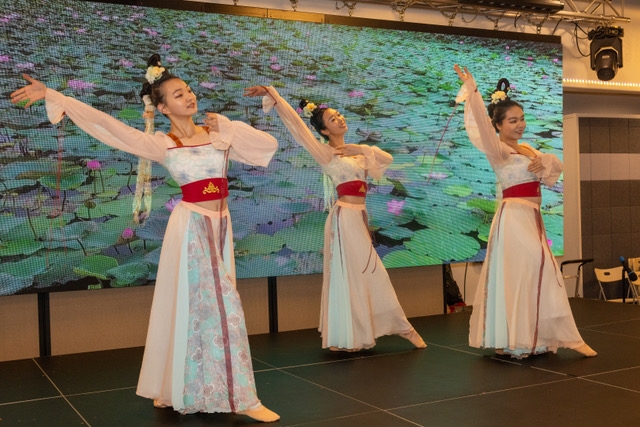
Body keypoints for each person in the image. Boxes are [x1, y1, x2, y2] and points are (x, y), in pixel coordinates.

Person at [10, 54, 280, 422]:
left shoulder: (219, 133)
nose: (189, 96)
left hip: (221, 225)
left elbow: (267, 146)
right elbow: (107, 126)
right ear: (162, 107)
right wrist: (54, 96)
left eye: (188, 90)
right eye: (178, 95)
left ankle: (177, 386)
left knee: (207, 306)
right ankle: (242, 397)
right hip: (193, 227)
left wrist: (229, 125)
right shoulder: (161, 143)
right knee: (221, 305)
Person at [243, 85, 426, 352]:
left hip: (358, 217)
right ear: (325, 131)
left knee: (363, 272)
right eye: (332, 119)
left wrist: (358, 148)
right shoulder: (325, 153)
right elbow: (298, 129)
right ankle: (366, 333)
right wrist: (275, 96)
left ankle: (378, 330)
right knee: (357, 273)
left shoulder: (358, 152)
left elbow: (386, 158)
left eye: (339, 115)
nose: (339, 119)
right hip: (343, 219)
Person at [453, 64, 596, 359]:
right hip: (514, 217)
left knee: (533, 274)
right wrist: (474, 92)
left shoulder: (528, 148)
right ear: (498, 125)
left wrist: (545, 160)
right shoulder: (499, 150)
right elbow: (481, 126)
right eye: (512, 120)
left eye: (522, 119)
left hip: (532, 217)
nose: (520, 125)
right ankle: (527, 337)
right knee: (531, 269)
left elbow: (553, 171)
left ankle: (536, 337)